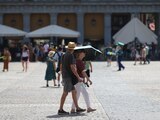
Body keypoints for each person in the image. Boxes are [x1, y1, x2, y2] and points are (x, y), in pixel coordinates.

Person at [58, 42, 86, 115]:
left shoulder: (64, 55)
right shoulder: (71, 56)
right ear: (73, 49)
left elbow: (61, 65)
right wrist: (78, 77)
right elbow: (73, 68)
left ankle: (77, 108)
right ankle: (60, 110)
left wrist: (62, 74)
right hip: (68, 77)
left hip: (66, 76)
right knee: (65, 93)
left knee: (74, 92)